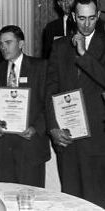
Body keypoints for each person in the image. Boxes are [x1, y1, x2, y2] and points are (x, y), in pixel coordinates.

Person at [46, 0, 105, 207]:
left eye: (91, 18)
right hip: (67, 138)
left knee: (96, 202)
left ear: (98, 16)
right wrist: (53, 127)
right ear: (73, 17)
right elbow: (50, 90)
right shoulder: (60, 45)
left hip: (97, 140)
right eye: (81, 18)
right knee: (70, 201)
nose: (86, 24)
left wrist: (83, 54)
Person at [0, 25, 50, 187]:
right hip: (3, 147)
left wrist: (36, 128)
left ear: (21, 44)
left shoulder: (40, 67)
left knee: (31, 200)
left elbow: (48, 104)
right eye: (1, 44)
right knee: (7, 199)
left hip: (30, 147)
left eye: (8, 42)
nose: (3, 47)